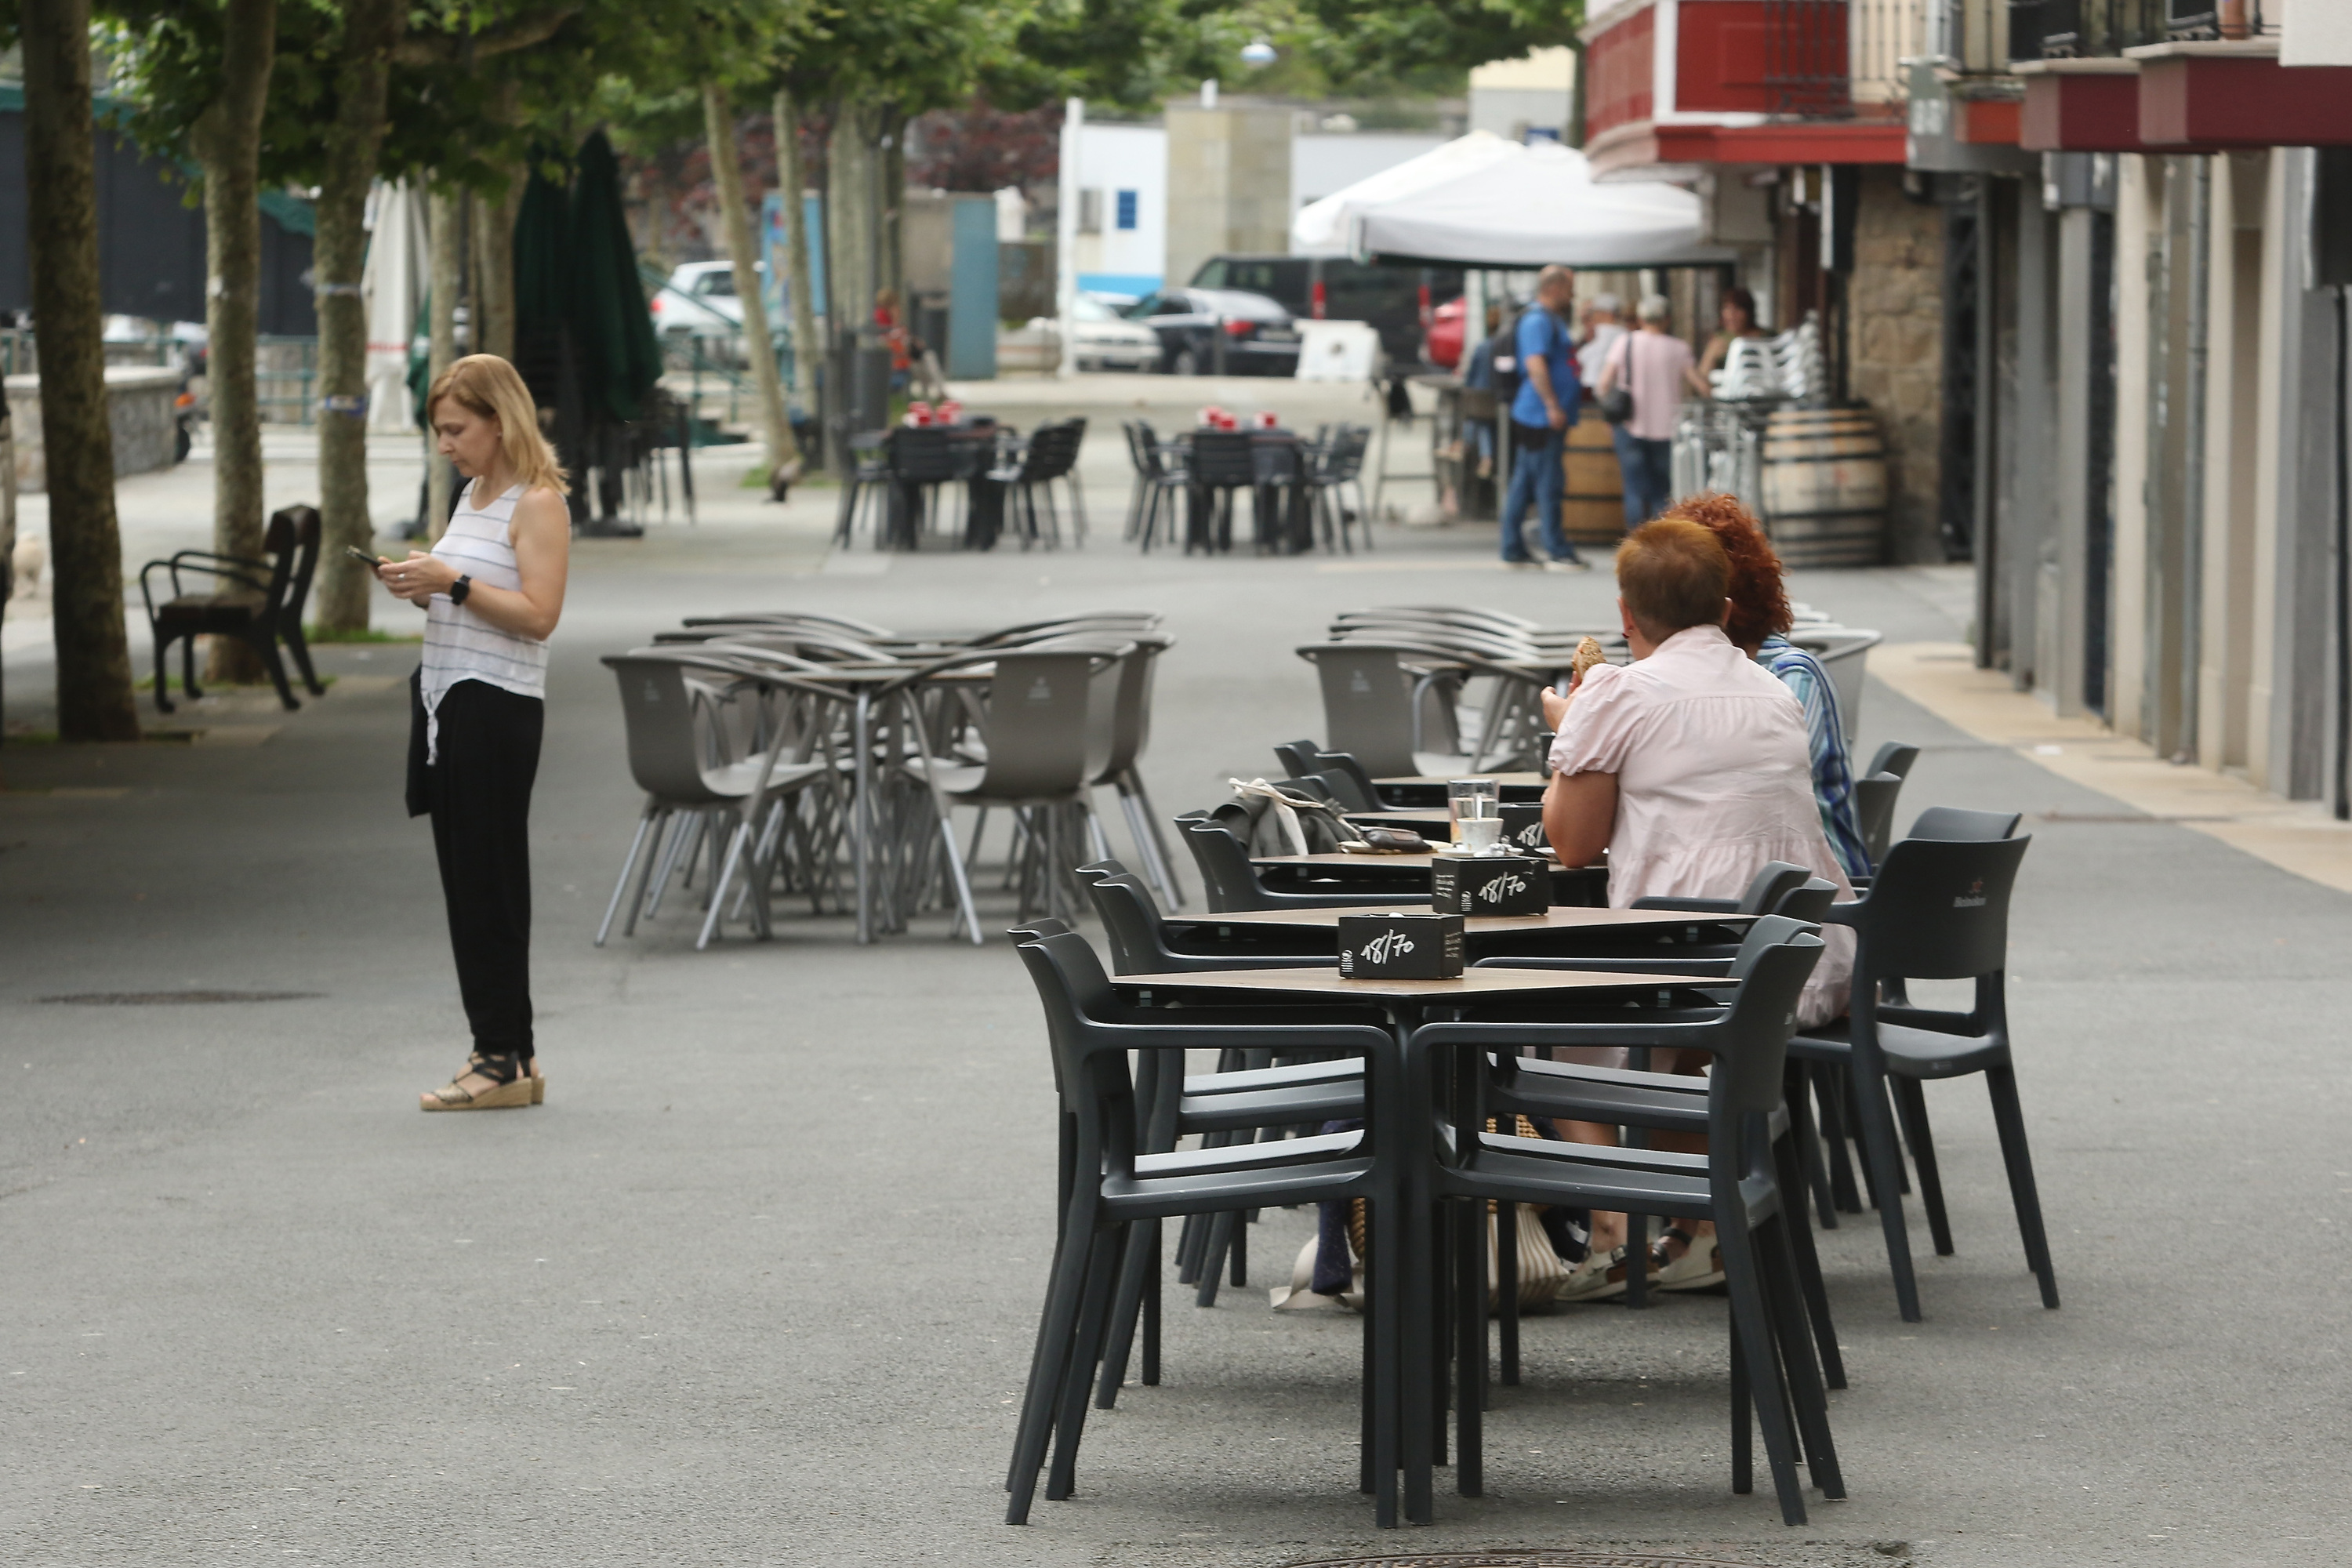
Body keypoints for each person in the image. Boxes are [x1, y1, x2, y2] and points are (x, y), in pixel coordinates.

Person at [1534, 514, 1854, 1296]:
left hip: (1687, 960)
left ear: (1625, 615)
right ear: (1725, 602)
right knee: (1677, 1039)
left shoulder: (1620, 692)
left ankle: (1612, 1228)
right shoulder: (1775, 691)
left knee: (1543, 1017)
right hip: (1786, 960)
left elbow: (1571, 844)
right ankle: (1699, 1227)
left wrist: (1575, 729)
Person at [376, 354, 571, 1112]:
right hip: (447, 696)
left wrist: (451, 582)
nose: (446, 444)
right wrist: (422, 585)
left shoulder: (538, 502)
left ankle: (497, 1055)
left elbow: (539, 616)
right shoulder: (472, 496)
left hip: (496, 704)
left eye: (457, 430)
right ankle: (507, 1053)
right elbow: (471, 599)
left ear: (500, 420)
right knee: (468, 880)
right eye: (439, 432)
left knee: (487, 882)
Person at [1690, 492, 1872, 880]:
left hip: (1819, 897)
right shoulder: (1688, 671)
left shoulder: (1790, 676)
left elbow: (1752, 790)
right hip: (1753, 884)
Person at [1497, 264, 1587, 572]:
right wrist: (1552, 404)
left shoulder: (1547, 320)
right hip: (1539, 415)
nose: (1573, 294)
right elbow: (1536, 365)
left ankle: (1513, 549)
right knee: (1548, 482)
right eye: (1570, 287)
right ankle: (1556, 550)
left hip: (1536, 413)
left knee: (1524, 481)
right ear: (1555, 288)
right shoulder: (1538, 320)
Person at [1595, 294, 1703, 529]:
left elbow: (1603, 384)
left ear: (1642, 318)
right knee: (1662, 493)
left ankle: (1635, 544)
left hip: (1629, 426)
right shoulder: (1679, 348)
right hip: (1667, 430)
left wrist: (1610, 416)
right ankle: (1659, 545)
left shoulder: (1625, 342)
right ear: (1667, 319)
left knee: (1634, 489)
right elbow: (1700, 385)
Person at [1695, 285, 1769, 387]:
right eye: (1727, 309)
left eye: (1737, 309)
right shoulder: (1719, 339)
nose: (1731, 315)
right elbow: (1702, 376)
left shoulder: (1766, 337)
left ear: (1748, 312)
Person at [1576, 292, 1624, 390]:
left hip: (1596, 389)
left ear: (1606, 314)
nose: (1592, 317)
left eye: (1594, 313)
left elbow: (1584, 358)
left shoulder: (1605, 333)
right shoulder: (1624, 334)